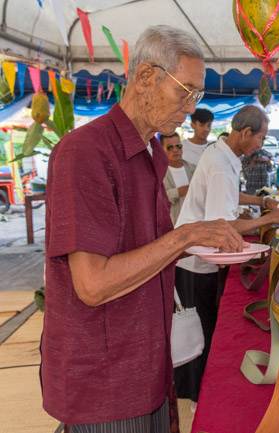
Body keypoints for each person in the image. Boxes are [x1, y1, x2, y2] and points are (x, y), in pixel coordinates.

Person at [42, 25, 244, 433]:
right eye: (184, 91)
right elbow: (93, 284)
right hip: (106, 381)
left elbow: (148, 250)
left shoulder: (151, 150)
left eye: (196, 95)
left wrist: (201, 237)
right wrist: (185, 236)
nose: (190, 108)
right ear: (146, 77)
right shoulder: (86, 152)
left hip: (149, 363)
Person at [174, 105, 279, 406]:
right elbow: (223, 225)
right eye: (260, 137)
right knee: (199, 335)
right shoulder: (219, 163)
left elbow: (228, 196)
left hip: (197, 255)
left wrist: (261, 200)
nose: (261, 144)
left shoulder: (223, 154)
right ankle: (197, 395)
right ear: (244, 133)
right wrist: (269, 218)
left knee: (205, 328)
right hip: (195, 261)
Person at [163, 132, 195, 225]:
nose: (175, 150)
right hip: (172, 225)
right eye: (170, 147)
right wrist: (178, 192)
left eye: (178, 146)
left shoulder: (194, 169)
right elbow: (158, 199)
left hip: (195, 222)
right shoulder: (159, 173)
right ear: (162, 150)